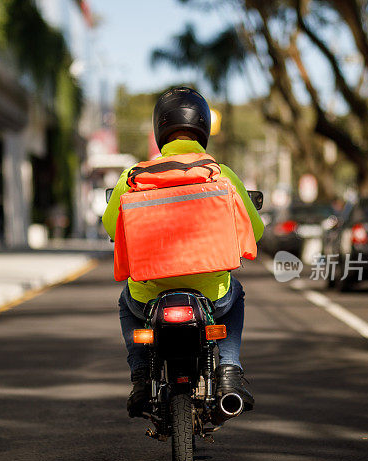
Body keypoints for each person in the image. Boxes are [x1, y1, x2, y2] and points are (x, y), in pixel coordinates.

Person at [102, 87, 264, 418]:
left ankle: (141, 376)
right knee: (237, 296)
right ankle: (230, 371)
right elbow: (256, 231)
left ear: (160, 129)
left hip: (148, 299)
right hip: (210, 296)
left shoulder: (133, 177)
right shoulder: (222, 173)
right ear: (203, 127)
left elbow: (110, 226)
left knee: (125, 303)